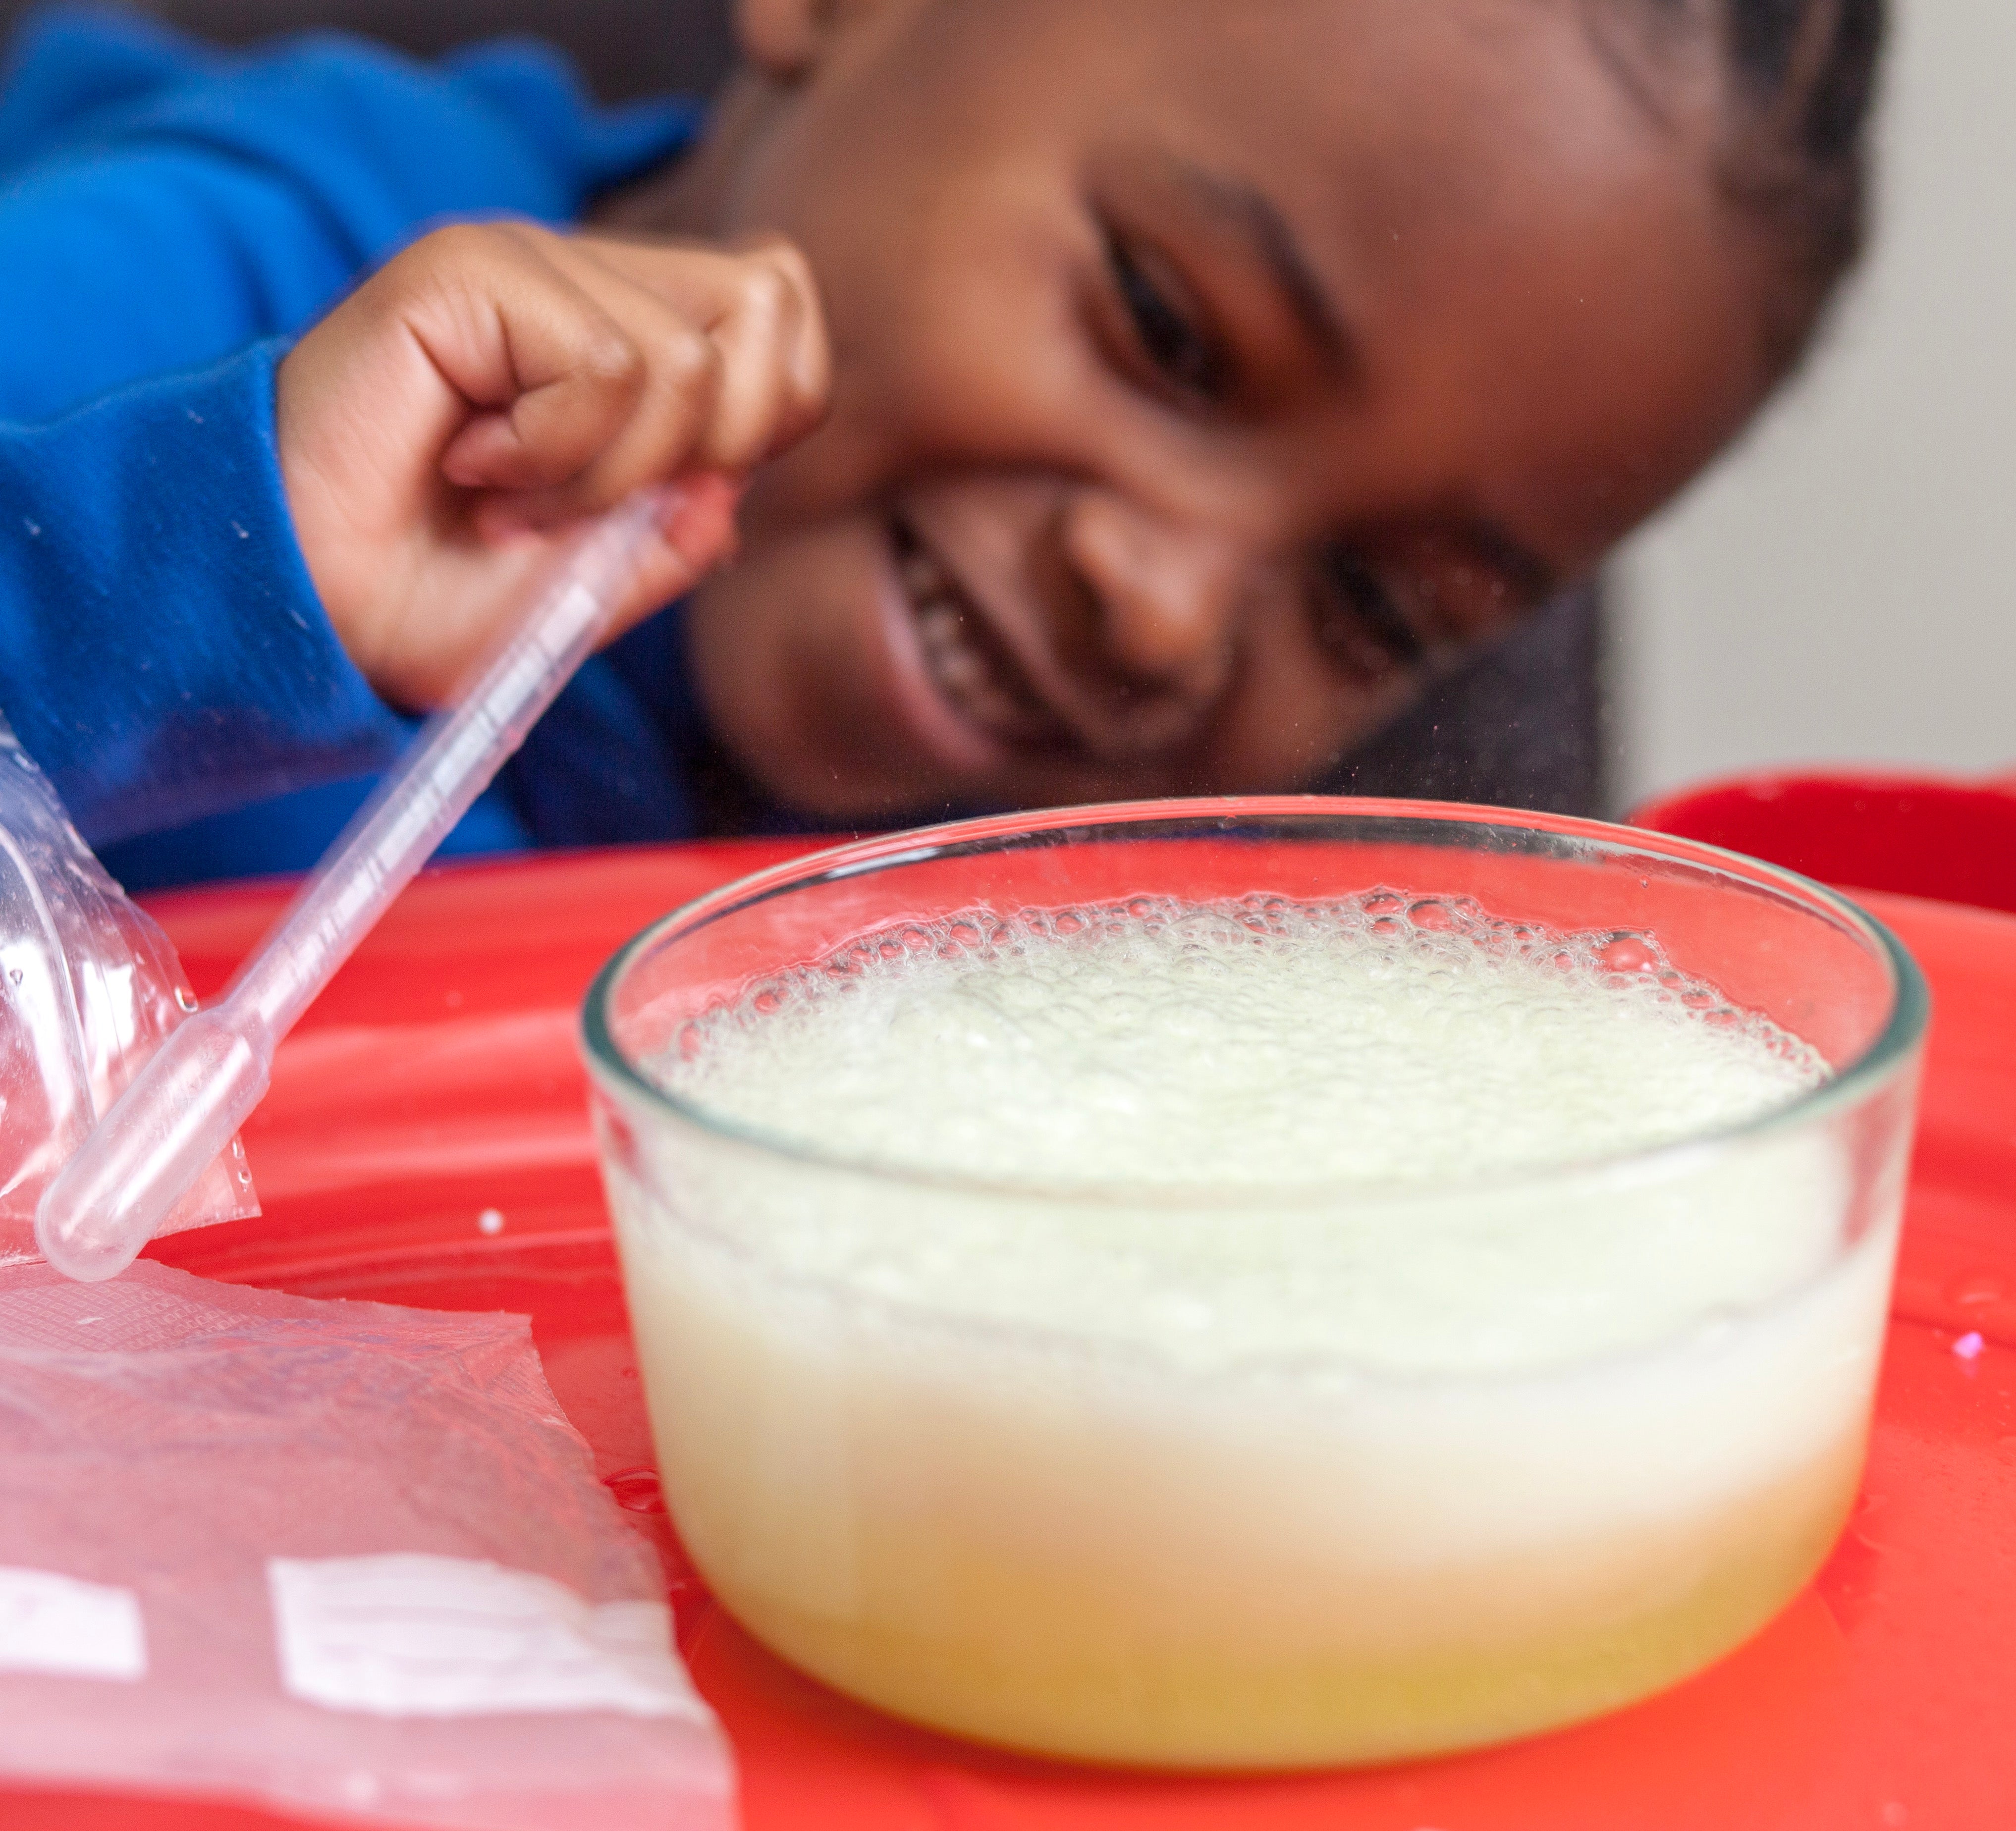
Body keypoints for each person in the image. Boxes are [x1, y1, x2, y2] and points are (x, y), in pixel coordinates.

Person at [0, 0, 1883, 887]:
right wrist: (204, 560)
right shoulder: (191, 293)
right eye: (1164, 330)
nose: (1165, 609)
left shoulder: (1092, 882)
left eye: (1376, 612)